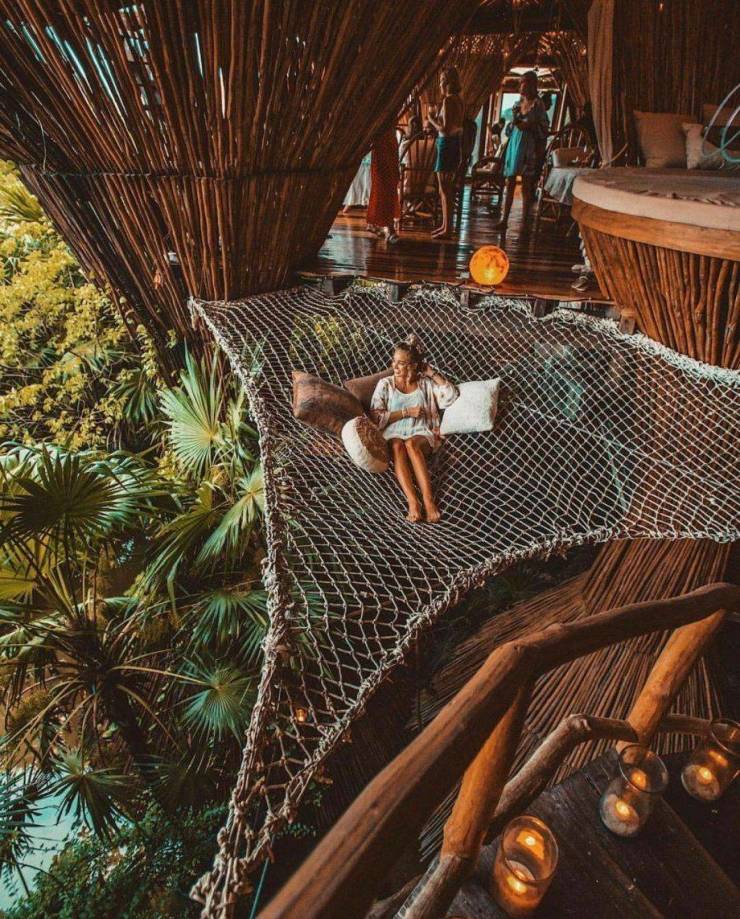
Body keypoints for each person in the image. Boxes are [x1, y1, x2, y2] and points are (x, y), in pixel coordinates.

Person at [370, 341, 458, 523]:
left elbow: (451, 395)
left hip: (420, 431)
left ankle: (428, 501)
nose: (394, 366)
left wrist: (431, 373)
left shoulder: (425, 384)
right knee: (397, 445)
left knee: (411, 444)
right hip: (393, 432)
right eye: (394, 361)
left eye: (401, 363)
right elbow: (376, 417)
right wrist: (406, 412)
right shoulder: (385, 384)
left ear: (413, 366)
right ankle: (413, 502)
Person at [494, 71, 549, 231]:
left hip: (528, 144)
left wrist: (521, 122)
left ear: (531, 84)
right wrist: (514, 122)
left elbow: (536, 126)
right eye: (521, 82)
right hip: (515, 142)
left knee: (526, 185)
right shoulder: (518, 103)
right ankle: (504, 219)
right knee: (510, 181)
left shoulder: (537, 105)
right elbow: (513, 126)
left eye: (523, 82)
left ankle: (524, 222)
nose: (521, 85)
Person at [427, 66, 464, 239]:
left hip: (447, 144)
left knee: (445, 189)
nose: (440, 84)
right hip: (453, 144)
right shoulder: (459, 100)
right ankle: (445, 226)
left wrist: (431, 119)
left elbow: (445, 129)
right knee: (445, 189)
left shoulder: (449, 101)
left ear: (448, 83)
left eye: (442, 80)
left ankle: (447, 229)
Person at [367, 125, 401, 243]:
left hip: (389, 143)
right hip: (382, 144)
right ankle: (389, 228)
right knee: (383, 186)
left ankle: (374, 223)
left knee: (386, 186)